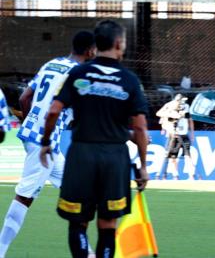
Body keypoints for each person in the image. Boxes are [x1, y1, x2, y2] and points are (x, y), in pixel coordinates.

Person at [39, 20, 149, 258]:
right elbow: (140, 128)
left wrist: (46, 142)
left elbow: (54, 111)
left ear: (96, 44)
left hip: (82, 156)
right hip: (115, 158)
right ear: (119, 43)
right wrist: (143, 166)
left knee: (78, 223)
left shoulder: (78, 73)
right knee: (108, 224)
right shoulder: (129, 79)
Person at [0, 31, 96, 258]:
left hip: (38, 138)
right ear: (90, 51)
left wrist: (31, 123)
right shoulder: (80, 73)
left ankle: (87, 252)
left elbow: (24, 98)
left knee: (77, 194)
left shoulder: (52, 64)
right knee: (24, 197)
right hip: (44, 143)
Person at [156, 93, 196, 180]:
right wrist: (170, 115)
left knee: (188, 155)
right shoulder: (169, 105)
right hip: (173, 134)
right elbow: (159, 113)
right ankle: (175, 175)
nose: (182, 103)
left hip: (184, 134)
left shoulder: (186, 106)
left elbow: (189, 119)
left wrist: (192, 133)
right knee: (172, 156)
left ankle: (191, 175)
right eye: (180, 101)